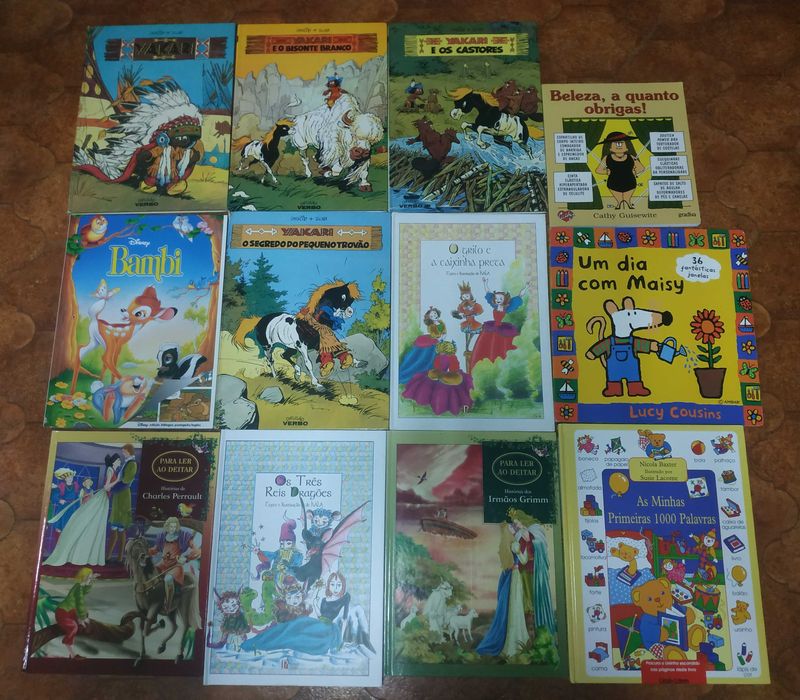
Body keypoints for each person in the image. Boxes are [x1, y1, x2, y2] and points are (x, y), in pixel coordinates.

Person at [43, 453, 121, 567]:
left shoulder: (75, 486)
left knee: (74, 528)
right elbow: (56, 496)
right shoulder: (62, 486)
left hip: (74, 508)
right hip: (65, 508)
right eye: (68, 477)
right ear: (65, 478)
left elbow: (79, 497)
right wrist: (59, 499)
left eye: (71, 476)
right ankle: (61, 550)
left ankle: (72, 552)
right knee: (63, 529)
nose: (70, 478)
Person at [476, 523, 529, 657]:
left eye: (513, 527)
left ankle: (514, 641)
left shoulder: (507, 544)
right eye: (511, 527)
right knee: (514, 606)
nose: (514, 529)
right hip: (514, 577)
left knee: (512, 606)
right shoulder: (514, 544)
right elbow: (523, 561)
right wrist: (526, 548)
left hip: (510, 576)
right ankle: (513, 643)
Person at [149, 516, 200, 612]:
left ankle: (168, 604)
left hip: (175, 566)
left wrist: (186, 558)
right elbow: (155, 550)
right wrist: (146, 551)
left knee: (168, 578)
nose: (172, 529)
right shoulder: (162, 536)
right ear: (167, 526)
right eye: (170, 526)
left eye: (174, 527)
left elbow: (197, 551)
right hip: (163, 564)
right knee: (151, 573)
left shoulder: (183, 536)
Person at [54, 567, 97, 658]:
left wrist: (91, 581)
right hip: (63, 612)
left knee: (82, 620)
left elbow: (85, 591)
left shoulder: (80, 586)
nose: (90, 580)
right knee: (73, 627)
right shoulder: (78, 588)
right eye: (89, 578)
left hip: (70, 611)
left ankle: (72, 653)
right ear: (84, 578)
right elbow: (80, 603)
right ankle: (70, 649)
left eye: (91, 578)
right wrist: (83, 617)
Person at [594, 131, 644, 210]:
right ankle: (619, 202)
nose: (619, 146)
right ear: (610, 147)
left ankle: (628, 202)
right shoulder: (607, 158)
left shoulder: (631, 157)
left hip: (629, 182)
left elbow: (641, 168)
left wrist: (634, 172)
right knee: (619, 198)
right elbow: (598, 170)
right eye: (616, 144)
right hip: (613, 183)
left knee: (627, 197)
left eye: (621, 144)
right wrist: (606, 172)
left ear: (627, 146)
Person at [398, 307, 446, 384]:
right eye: (432, 316)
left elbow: (444, 331)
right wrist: (439, 337)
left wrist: (443, 336)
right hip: (435, 339)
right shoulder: (431, 326)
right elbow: (434, 335)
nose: (434, 316)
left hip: (440, 339)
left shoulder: (441, 322)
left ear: (437, 313)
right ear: (430, 318)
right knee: (423, 345)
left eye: (435, 314)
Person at [107, 443, 137, 562]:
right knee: (114, 528)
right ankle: (109, 556)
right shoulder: (127, 463)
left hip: (123, 495)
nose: (123, 454)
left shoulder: (132, 464)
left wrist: (112, 488)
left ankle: (119, 557)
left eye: (124, 452)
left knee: (121, 529)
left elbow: (126, 480)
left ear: (129, 451)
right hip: (119, 495)